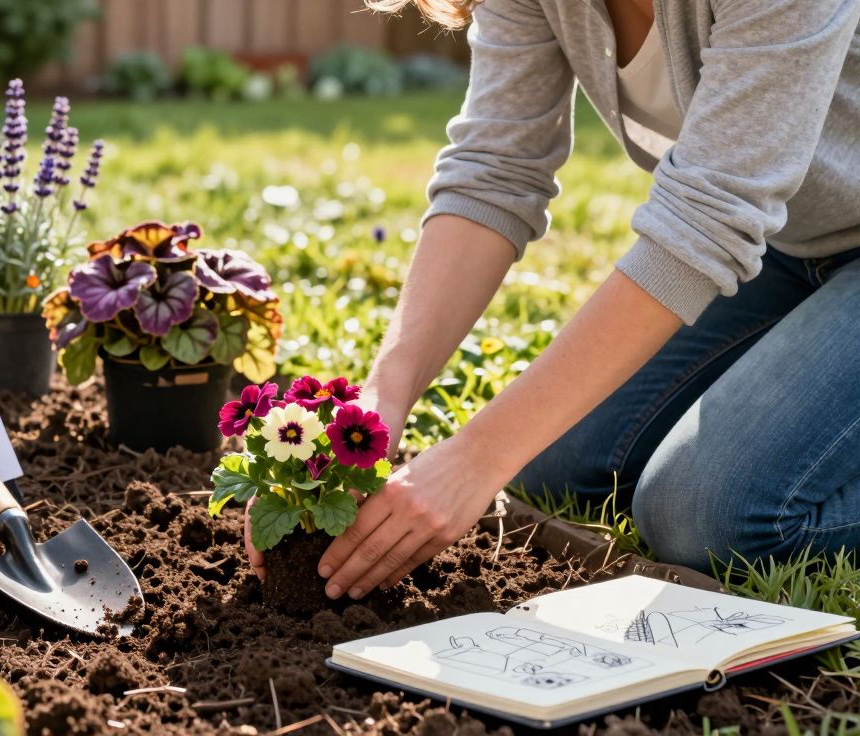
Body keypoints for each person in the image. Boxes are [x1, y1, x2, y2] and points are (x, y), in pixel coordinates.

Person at [246, 0, 860, 601]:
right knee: (553, 461)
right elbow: (496, 169)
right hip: (786, 247)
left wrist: (476, 458)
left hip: (796, 236)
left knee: (705, 518)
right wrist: (382, 397)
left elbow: (706, 219)